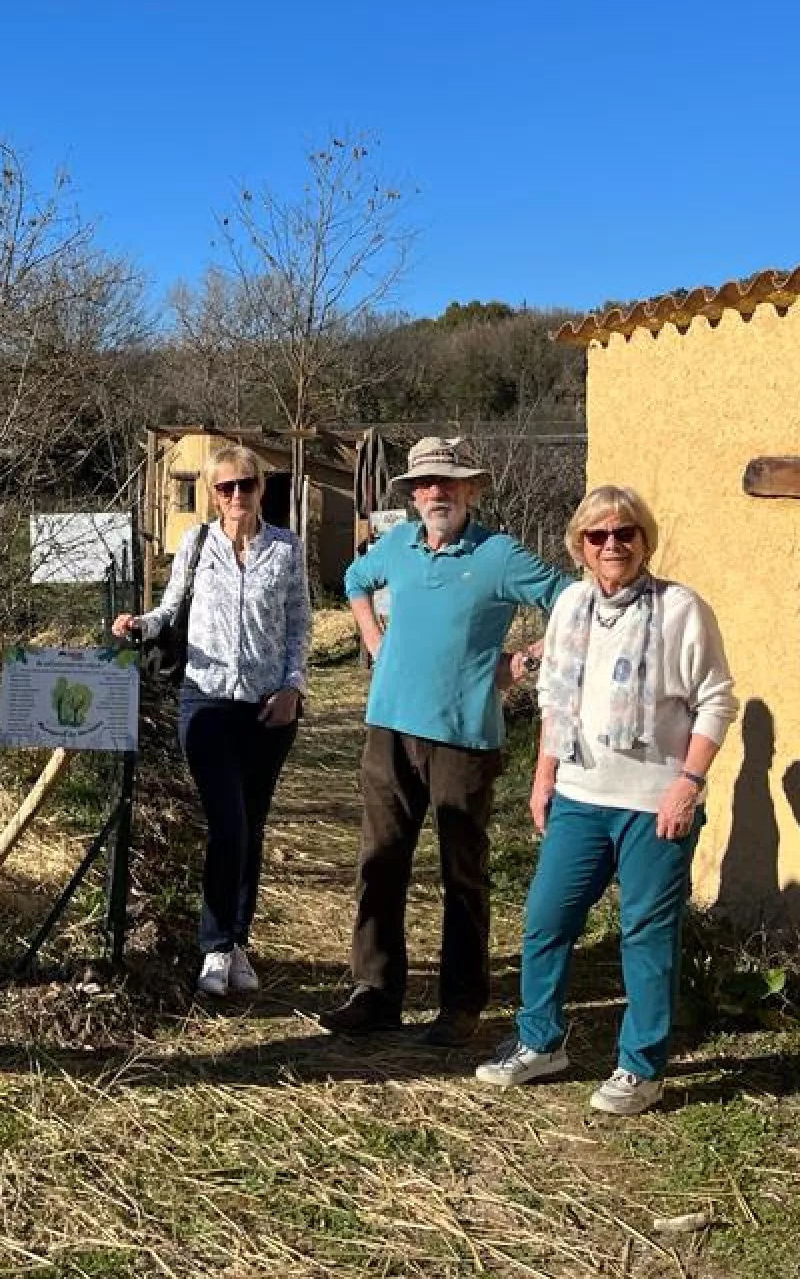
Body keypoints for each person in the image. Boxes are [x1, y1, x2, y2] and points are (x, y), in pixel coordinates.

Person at [474, 485, 735, 1115]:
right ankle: (541, 1041)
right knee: (546, 920)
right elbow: (555, 698)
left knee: (645, 933)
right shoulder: (571, 607)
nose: (613, 545)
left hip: (656, 803)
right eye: (599, 536)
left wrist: (688, 782)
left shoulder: (680, 609)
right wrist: (543, 778)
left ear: (644, 539)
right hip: (580, 796)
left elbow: (716, 699)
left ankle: (640, 1068)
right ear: (580, 546)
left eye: (625, 533)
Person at [320, 436, 573, 1043]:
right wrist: (374, 641)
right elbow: (355, 579)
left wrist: (526, 660)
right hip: (389, 728)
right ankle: (375, 993)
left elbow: (572, 599)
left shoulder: (499, 555)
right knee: (380, 863)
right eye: (424, 485)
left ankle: (461, 1006)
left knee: (463, 870)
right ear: (411, 495)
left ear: (471, 490)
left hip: (463, 736)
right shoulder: (398, 546)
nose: (435, 493)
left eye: (448, 483)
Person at [112, 444, 308, 998]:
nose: (236, 496)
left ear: (261, 488)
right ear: (212, 494)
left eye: (245, 485)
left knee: (251, 824)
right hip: (208, 701)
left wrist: (294, 688)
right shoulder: (196, 545)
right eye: (225, 488)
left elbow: (299, 626)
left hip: (269, 707)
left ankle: (237, 943)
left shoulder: (286, 550)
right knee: (228, 823)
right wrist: (138, 624)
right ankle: (215, 947)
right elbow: (170, 608)